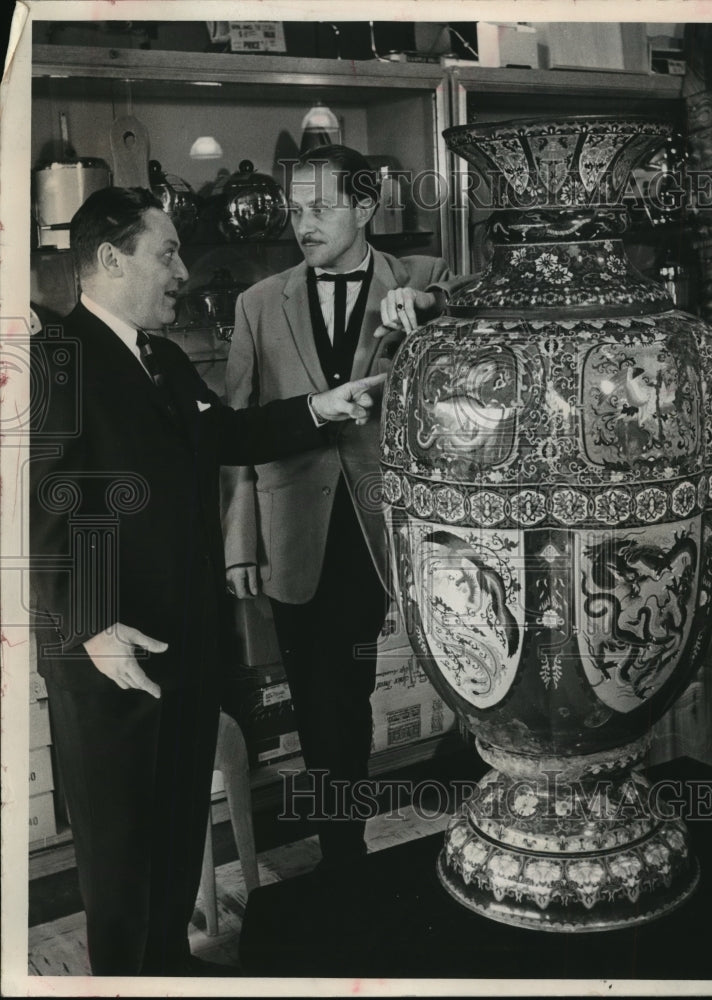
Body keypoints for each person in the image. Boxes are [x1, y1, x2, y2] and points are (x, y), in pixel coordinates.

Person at [28, 185, 384, 977]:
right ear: (111, 260)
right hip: (113, 650)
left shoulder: (160, 356)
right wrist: (91, 624)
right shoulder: (57, 358)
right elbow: (42, 501)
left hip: (186, 638)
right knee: (121, 847)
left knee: (178, 820)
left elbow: (224, 433)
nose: (182, 271)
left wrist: (322, 408)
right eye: (168, 253)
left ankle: (169, 967)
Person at [221, 144, 455, 870]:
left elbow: (487, 316)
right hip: (300, 530)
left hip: (401, 521)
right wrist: (240, 544)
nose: (303, 224)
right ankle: (343, 854)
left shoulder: (423, 278)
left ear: (364, 207)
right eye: (295, 209)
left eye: (321, 208)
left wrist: (432, 308)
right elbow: (236, 433)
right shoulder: (258, 303)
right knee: (329, 701)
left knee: (465, 671)